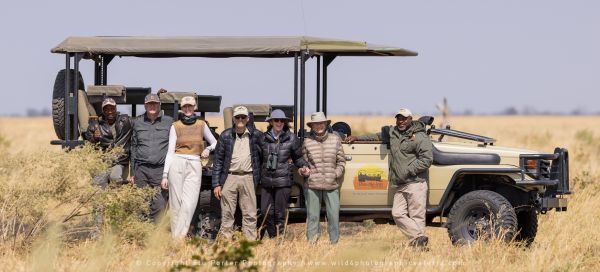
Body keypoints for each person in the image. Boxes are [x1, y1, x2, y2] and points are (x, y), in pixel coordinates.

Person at [346, 108, 433, 248]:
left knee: (417, 216)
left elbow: (427, 159)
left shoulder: (420, 136)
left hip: (416, 182)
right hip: (401, 183)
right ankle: (419, 237)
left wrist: (408, 170)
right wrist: (357, 138)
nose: (401, 121)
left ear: (411, 119)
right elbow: (377, 136)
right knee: (397, 213)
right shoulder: (393, 133)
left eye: (404, 118)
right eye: (399, 118)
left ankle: (420, 247)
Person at [161, 96, 218, 238]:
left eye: (190, 106)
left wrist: (208, 149)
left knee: (190, 203)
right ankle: (177, 240)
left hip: (194, 163)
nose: (187, 109)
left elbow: (215, 142)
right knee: (176, 203)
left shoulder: (201, 124)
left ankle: (179, 236)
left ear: (194, 108)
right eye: (185, 106)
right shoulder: (176, 126)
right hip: (177, 161)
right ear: (182, 108)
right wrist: (165, 174)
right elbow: (170, 152)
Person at [212, 106, 263, 240]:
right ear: (233, 119)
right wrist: (216, 184)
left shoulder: (256, 135)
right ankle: (226, 243)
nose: (240, 120)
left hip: (249, 177)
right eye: (237, 117)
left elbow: (263, 156)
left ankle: (249, 243)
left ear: (248, 119)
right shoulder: (225, 135)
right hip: (230, 177)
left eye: (243, 117)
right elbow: (218, 161)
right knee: (227, 213)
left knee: (250, 214)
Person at [258, 109, 308, 239]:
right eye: (276, 120)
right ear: (271, 122)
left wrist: (303, 166)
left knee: (280, 213)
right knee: (265, 212)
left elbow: (298, 158)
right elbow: (257, 160)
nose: (279, 123)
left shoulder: (292, 138)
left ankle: (279, 240)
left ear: (285, 123)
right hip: (266, 181)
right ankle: (273, 237)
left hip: (283, 181)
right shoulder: (263, 138)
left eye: (282, 120)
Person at [299, 112, 345, 244]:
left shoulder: (335, 140)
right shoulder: (307, 142)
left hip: (331, 185)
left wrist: (335, 174)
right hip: (312, 185)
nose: (319, 126)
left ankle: (334, 244)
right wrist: (304, 171)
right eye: (316, 124)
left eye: (321, 123)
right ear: (312, 126)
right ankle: (312, 246)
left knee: (333, 217)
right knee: (313, 217)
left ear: (326, 124)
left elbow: (341, 161)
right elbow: (304, 163)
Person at [129, 93, 173, 222]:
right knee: (141, 204)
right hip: (141, 170)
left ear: (159, 105)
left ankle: (153, 235)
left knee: (159, 205)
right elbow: (134, 147)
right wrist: (132, 173)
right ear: (145, 105)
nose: (152, 106)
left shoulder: (169, 122)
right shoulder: (137, 122)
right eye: (149, 104)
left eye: (155, 103)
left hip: (160, 170)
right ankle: (141, 233)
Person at [83, 97, 133, 188]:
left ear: (116, 109)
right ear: (103, 111)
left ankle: (123, 190)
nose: (110, 111)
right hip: (102, 162)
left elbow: (143, 120)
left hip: (119, 161)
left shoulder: (126, 121)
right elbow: (88, 141)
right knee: (98, 183)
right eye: (107, 109)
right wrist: (94, 138)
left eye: (112, 109)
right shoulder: (95, 125)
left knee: (115, 178)